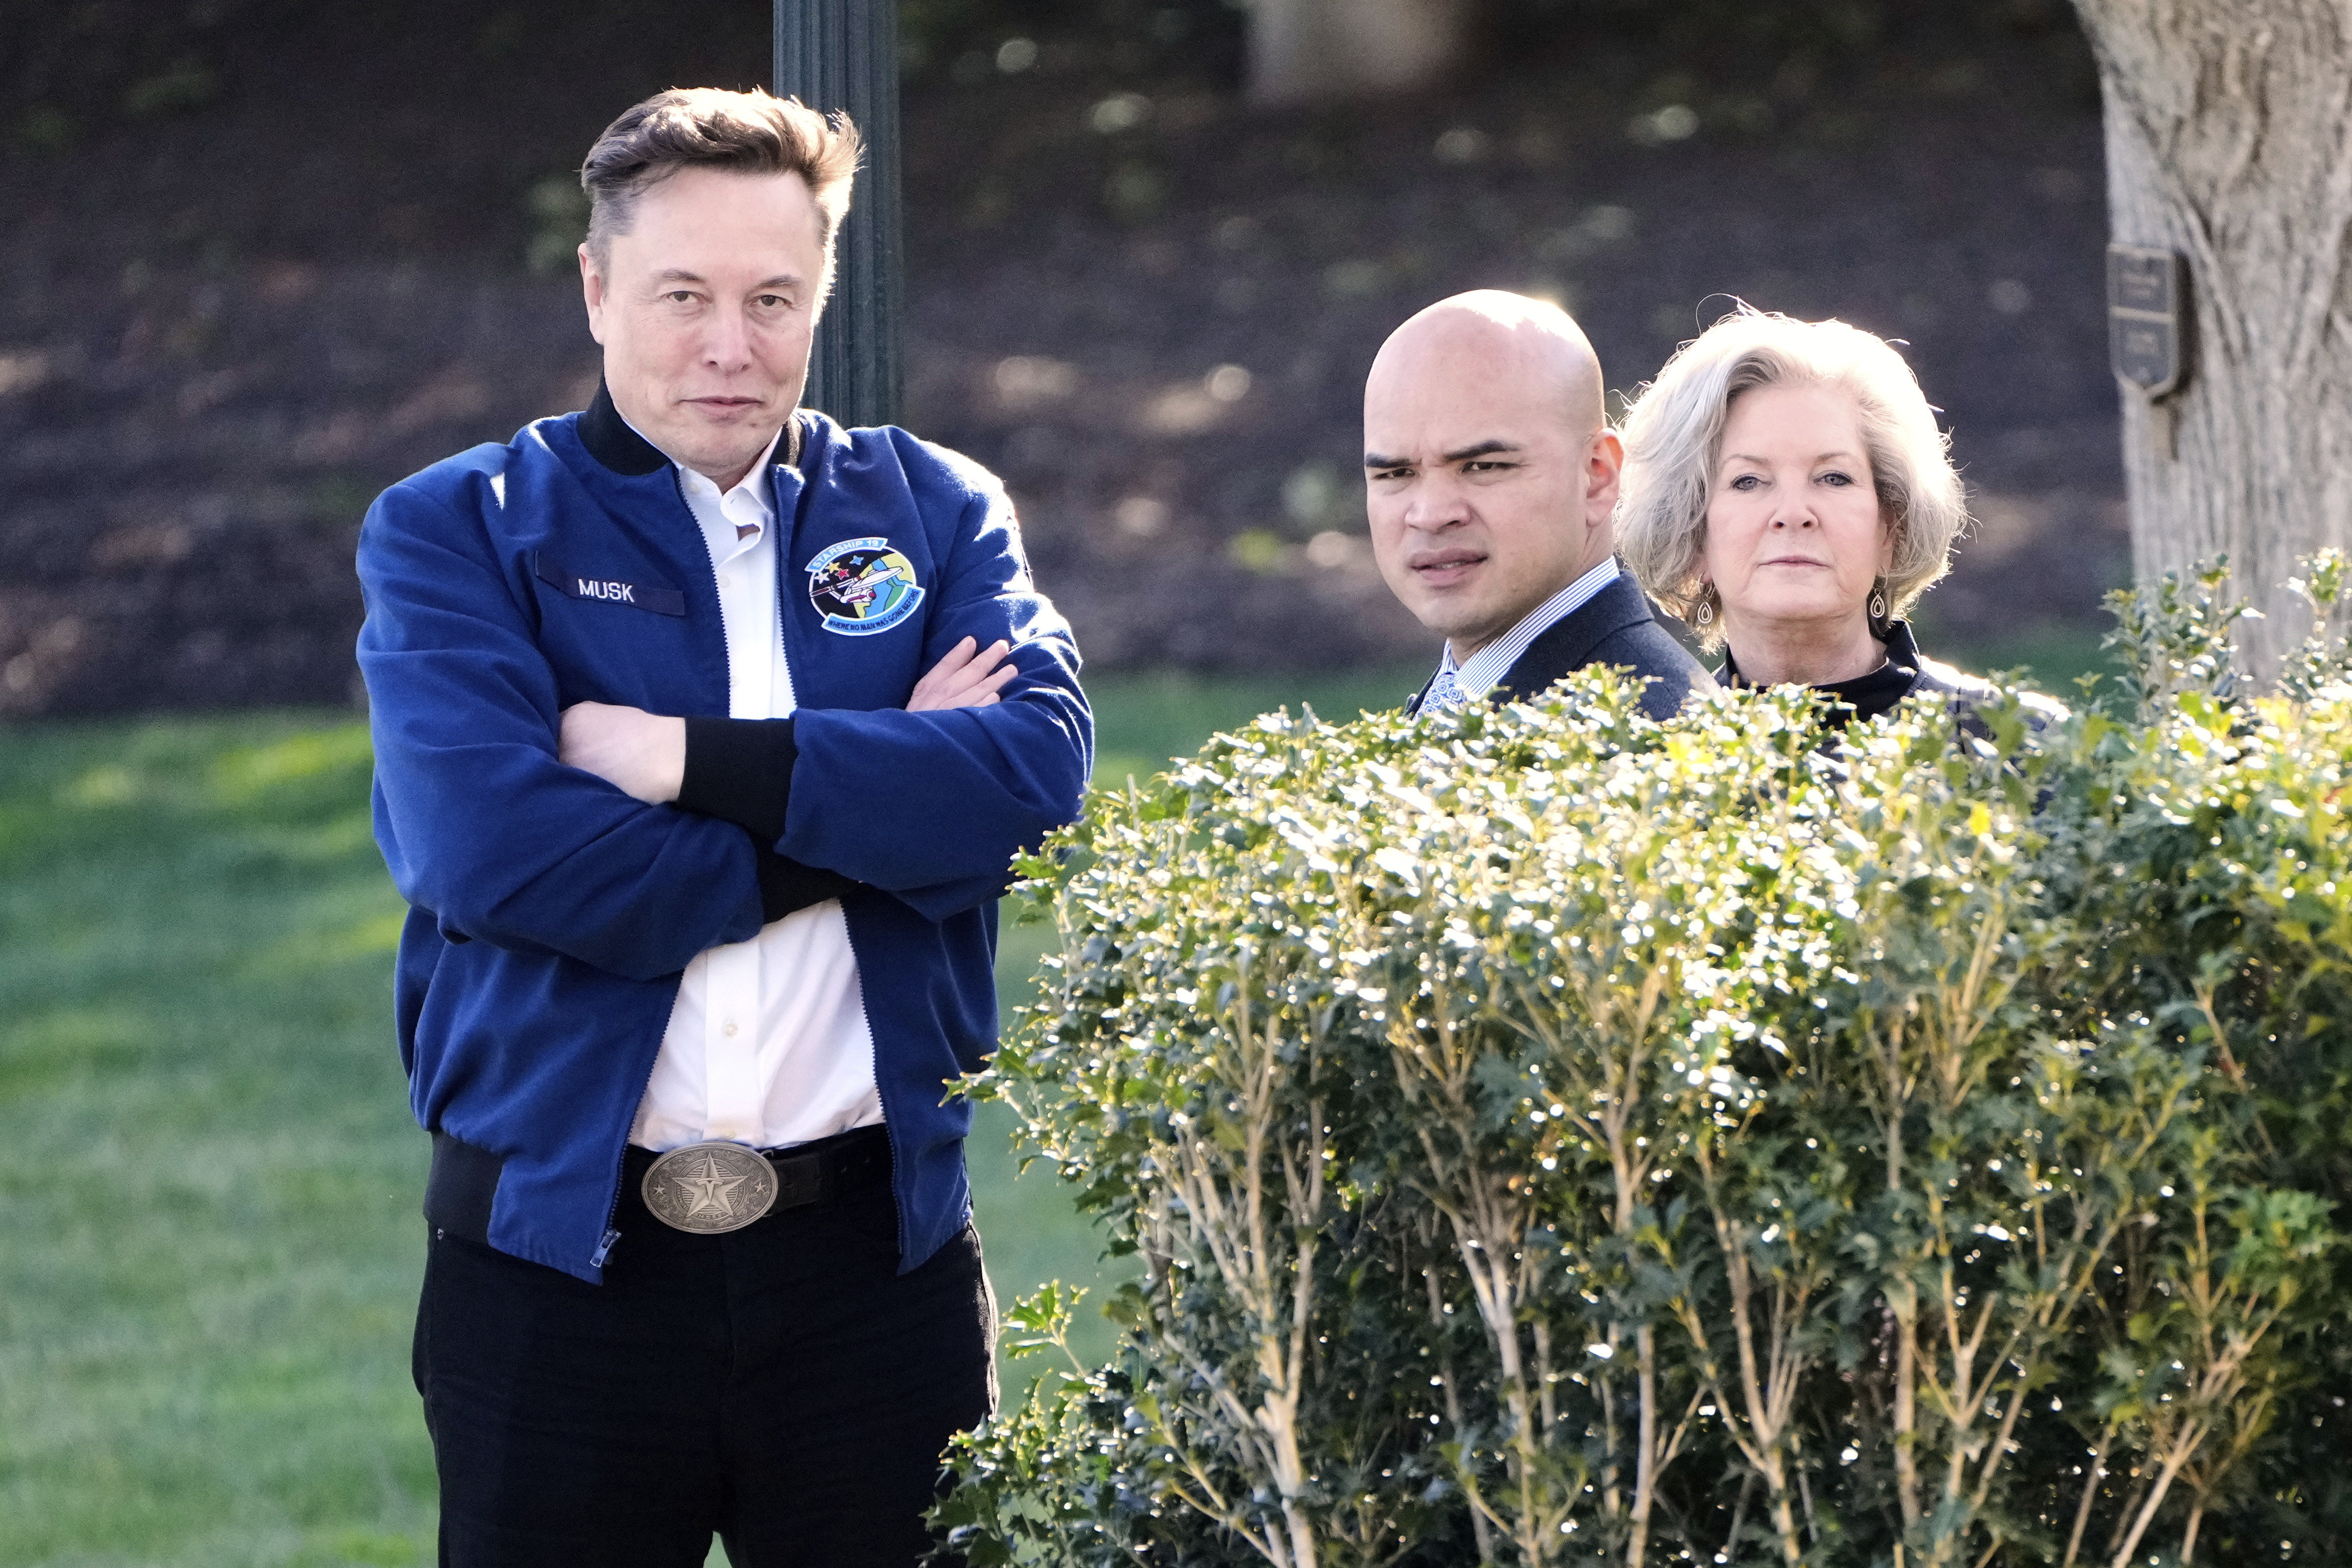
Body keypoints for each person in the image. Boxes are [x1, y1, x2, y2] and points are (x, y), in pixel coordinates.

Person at [355, 87, 1091, 1567]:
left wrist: (676, 757)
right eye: (683, 294)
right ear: (595, 288)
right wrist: (881, 805)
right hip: (559, 1270)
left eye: (772, 299)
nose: (727, 345)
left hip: (875, 1274)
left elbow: (1030, 774)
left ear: (819, 299)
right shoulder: (463, 527)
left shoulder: (932, 511)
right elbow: (495, 853)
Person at [1615, 307, 2059, 728]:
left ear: (1892, 525)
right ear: (1693, 535)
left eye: (1832, 478)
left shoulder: (2021, 746)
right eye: (1748, 481)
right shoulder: (1645, 771)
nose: (1792, 514)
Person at [1362, 290, 1714, 721]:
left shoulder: (1653, 742)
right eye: (1395, 474)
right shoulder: (1461, 698)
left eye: (1482, 466)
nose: (1430, 515)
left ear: (1597, 475)